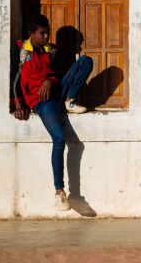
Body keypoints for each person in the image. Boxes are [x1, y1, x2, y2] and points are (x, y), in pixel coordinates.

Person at [10, 14, 93, 211]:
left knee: (85, 61)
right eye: (42, 34)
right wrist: (17, 104)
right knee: (59, 139)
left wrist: (51, 80)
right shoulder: (21, 49)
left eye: (48, 33)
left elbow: (59, 74)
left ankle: (70, 101)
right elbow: (13, 76)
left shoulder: (51, 50)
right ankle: (60, 192)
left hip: (58, 93)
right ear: (32, 33)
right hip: (41, 101)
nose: (46, 37)